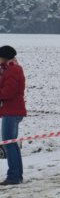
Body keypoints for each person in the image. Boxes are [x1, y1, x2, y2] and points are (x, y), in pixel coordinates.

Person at [0, 45, 26, 186]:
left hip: (12, 111)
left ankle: (14, 176)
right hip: (12, 111)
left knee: (9, 144)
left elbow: (8, 92)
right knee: (12, 144)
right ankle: (16, 175)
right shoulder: (11, 69)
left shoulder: (12, 70)